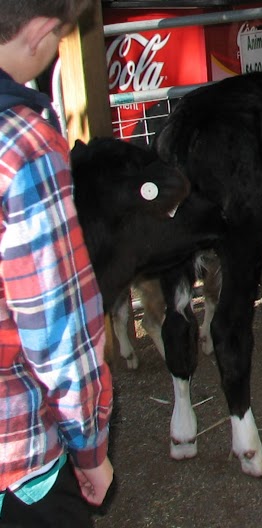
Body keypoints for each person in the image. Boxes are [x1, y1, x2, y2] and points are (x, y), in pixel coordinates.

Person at [0, 1, 114, 526]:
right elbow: (58, 330)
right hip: (17, 462)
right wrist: (89, 447)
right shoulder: (22, 145)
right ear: (41, 33)